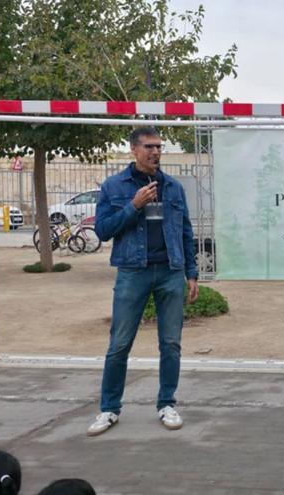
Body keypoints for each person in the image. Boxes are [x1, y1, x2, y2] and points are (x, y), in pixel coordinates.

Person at [87, 127, 199, 437]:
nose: (155, 152)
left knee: (171, 343)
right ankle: (109, 409)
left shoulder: (173, 188)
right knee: (119, 344)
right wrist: (133, 205)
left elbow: (186, 232)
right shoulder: (114, 187)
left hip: (170, 272)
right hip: (132, 272)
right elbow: (103, 230)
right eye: (149, 146)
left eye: (159, 147)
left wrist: (191, 272)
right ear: (134, 150)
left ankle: (167, 403)